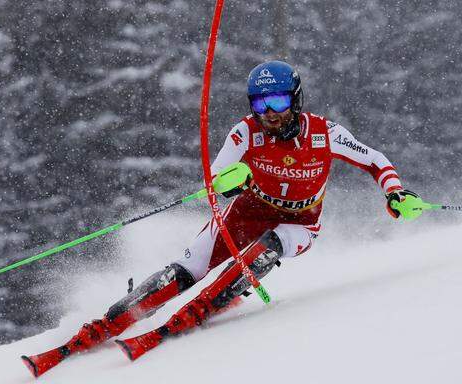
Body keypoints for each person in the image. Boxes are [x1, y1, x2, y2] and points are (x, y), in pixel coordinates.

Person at [22, 60, 421, 377]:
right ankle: (104, 325)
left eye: (279, 103)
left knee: (264, 251)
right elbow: (217, 177)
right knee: (187, 268)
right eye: (260, 104)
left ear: (295, 100)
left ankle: (188, 317)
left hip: (298, 224)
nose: (270, 114)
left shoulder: (325, 133)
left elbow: (375, 160)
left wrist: (395, 192)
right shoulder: (245, 133)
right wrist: (229, 181)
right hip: (246, 212)